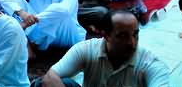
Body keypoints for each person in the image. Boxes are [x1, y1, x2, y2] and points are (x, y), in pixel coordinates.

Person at [41, 10, 171, 87]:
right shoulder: (87, 49)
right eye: (122, 36)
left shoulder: (151, 64)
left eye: (135, 34)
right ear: (106, 35)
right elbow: (50, 77)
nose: (132, 43)